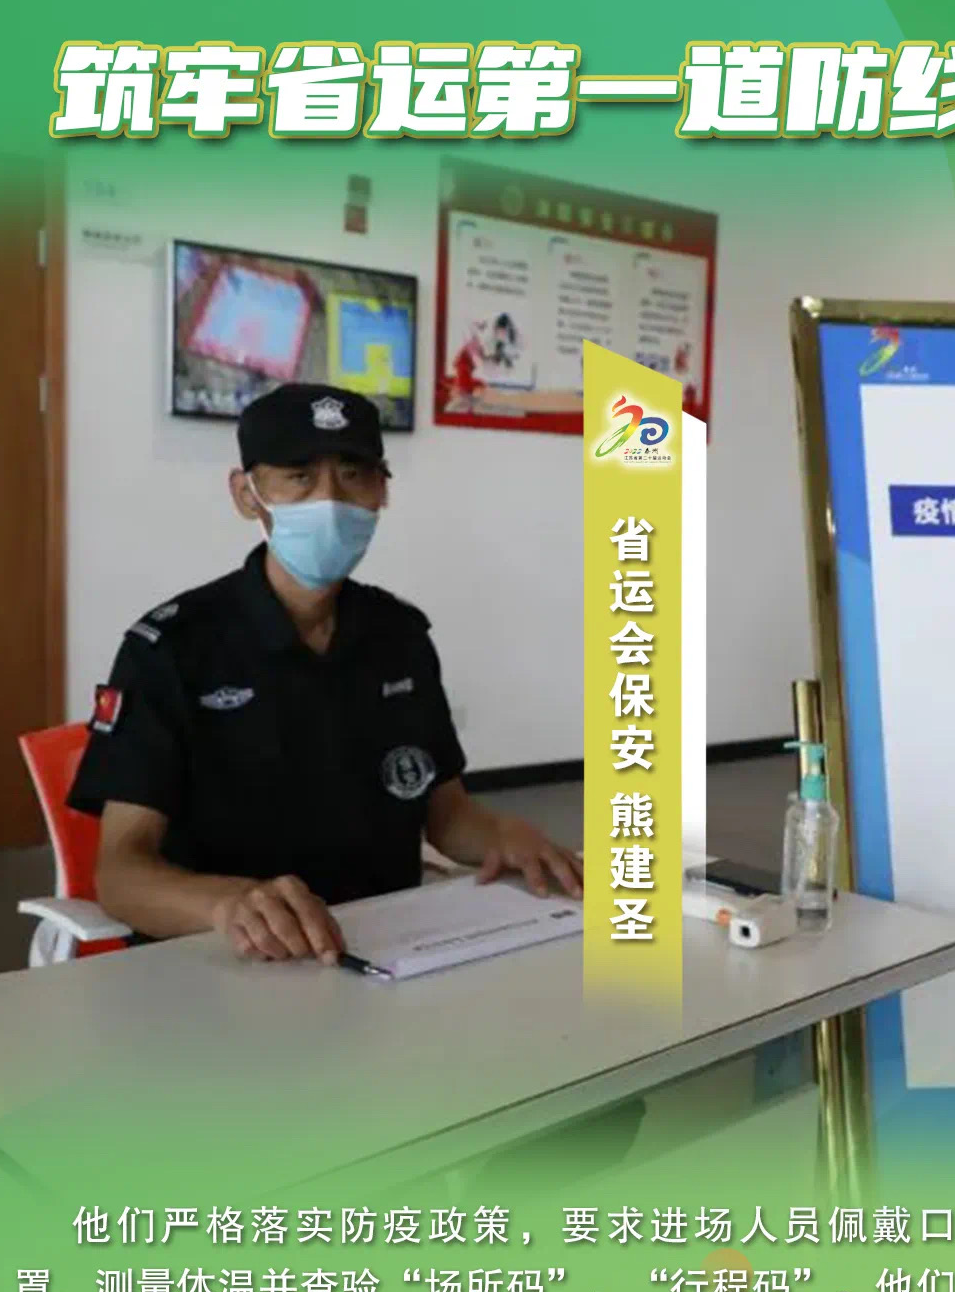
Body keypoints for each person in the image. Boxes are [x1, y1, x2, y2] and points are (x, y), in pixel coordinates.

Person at [68, 382, 582, 965]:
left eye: (354, 475)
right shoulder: (172, 648)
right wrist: (224, 905)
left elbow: (448, 816)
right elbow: (121, 873)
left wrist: (504, 835)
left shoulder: (401, 635)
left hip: (384, 948)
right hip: (225, 958)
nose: (331, 500)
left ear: (382, 491)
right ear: (246, 494)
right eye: (300, 477)